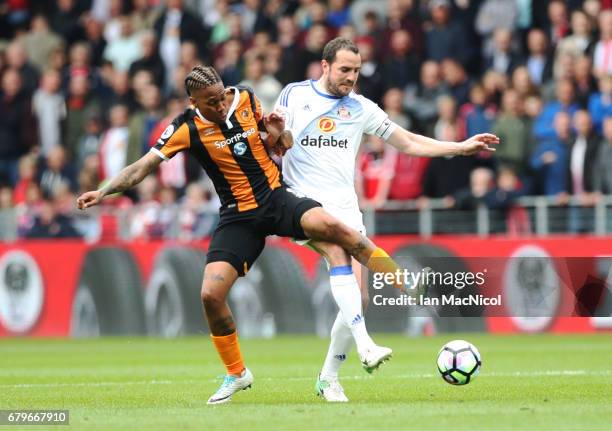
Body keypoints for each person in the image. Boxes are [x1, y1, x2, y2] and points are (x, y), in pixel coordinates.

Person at [77, 65, 406, 405]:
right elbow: (141, 168)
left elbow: (280, 146)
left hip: (278, 200)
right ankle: (237, 373)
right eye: (210, 102)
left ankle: (402, 281)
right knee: (210, 294)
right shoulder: (185, 127)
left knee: (339, 230)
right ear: (194, 102)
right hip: (238, 218)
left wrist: (279, 133)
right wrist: (102, 192)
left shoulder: (246, 97)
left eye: (221, 97)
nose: (220, 106)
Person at [274, 37, 498, 402]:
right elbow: (275, 137)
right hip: (302, 202)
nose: (350, 78)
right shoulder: (295, 94)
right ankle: (367, 340)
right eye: (344, 70)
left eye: (356, 71)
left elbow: (407, 141)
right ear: (325, 65)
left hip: (345, 207)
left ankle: (328, 377)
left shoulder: (361, 108)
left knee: (359, 299)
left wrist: (458, 147)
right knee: (336, 248)